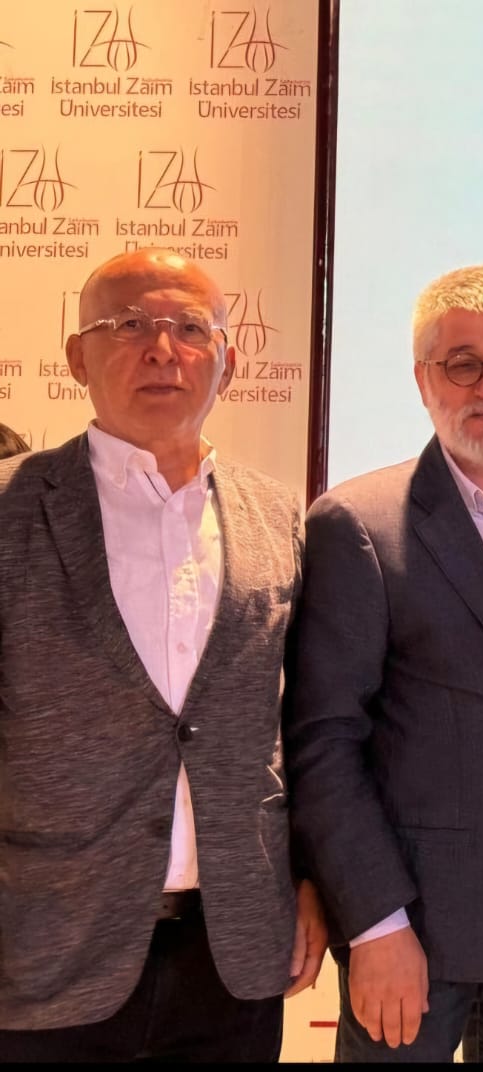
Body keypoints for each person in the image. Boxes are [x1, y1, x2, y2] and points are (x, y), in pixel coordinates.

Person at [0, 248, 325, 1060]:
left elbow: (307, 726)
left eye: (190, 328)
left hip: (233, 954)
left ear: (228, 360)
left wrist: (315, 880)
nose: (162, 349)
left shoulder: (280, 517)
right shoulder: (11, 509)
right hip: (44, 951)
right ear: (77, 356)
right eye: (128, 325)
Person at [285, 266, 483, 1061]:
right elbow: (324, 740)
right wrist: (375, 924)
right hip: (413, 934)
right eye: (463, 363)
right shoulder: (358, 525)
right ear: (424, 380)